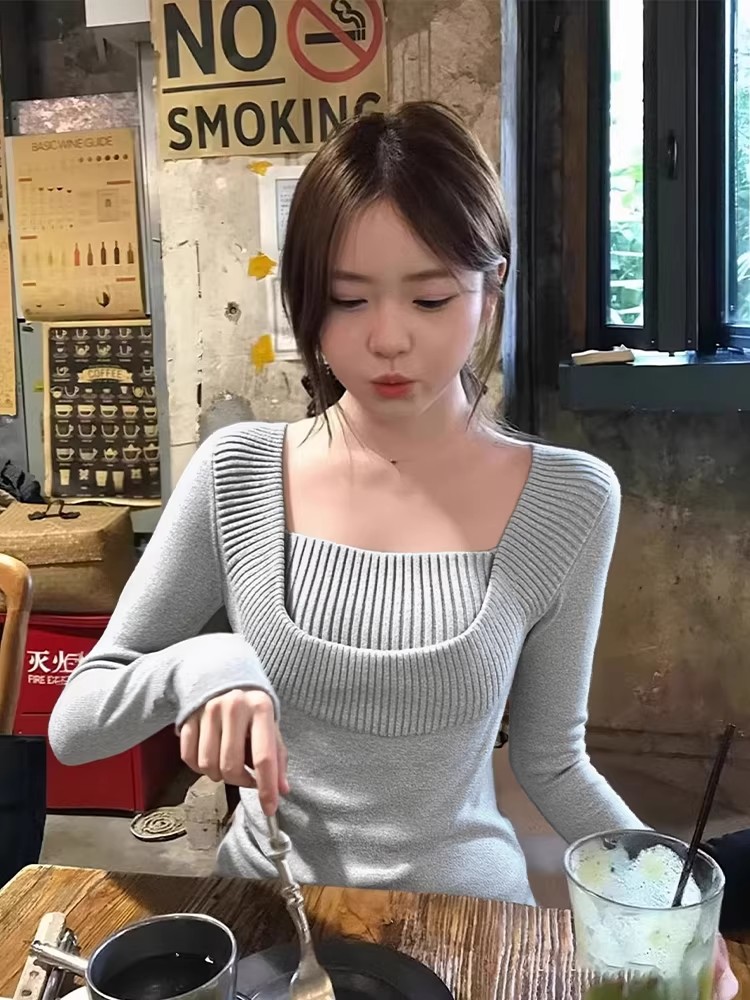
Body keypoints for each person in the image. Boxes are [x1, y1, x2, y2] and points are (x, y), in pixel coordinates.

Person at [42, 103, 734, 993]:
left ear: (491, 288)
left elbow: (553, 760)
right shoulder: (239, 473)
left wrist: (668, 905)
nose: (387, 337)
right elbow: (75, 726)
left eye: (431, 297)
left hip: (468, 922)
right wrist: (203, 663)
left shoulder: (569, 499)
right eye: (347, 298)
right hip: (270, 921)